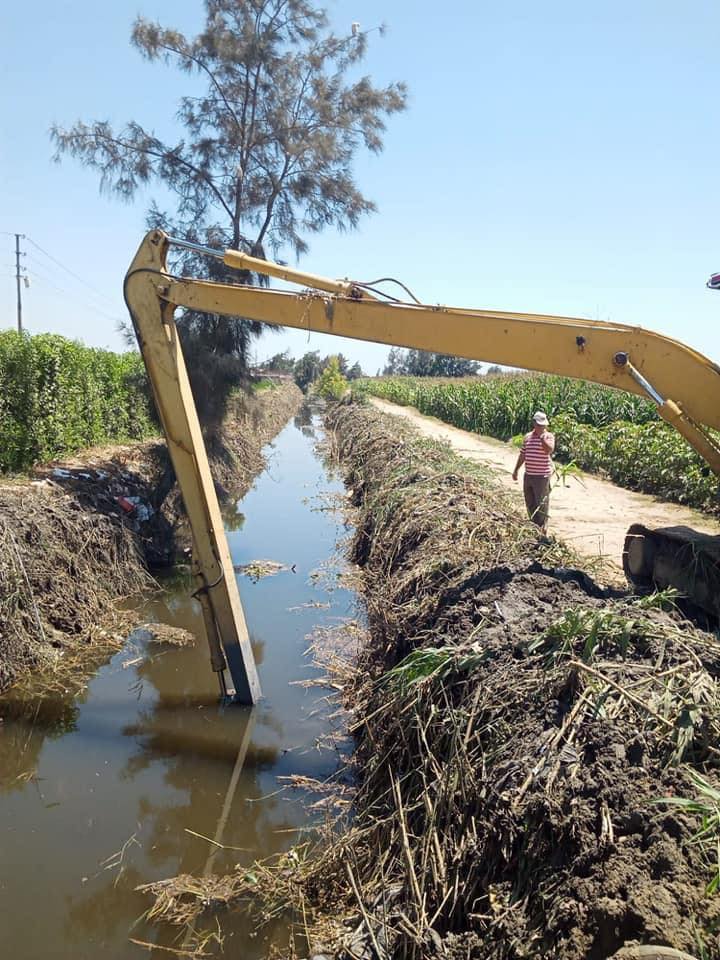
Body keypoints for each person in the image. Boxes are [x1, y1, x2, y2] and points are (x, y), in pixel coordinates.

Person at [512, 411, 555, 532]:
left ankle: (542, 531)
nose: (541, 427)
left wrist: (542, 439)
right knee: (530, 503)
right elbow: (523, 455)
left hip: (542, 477)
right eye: (539, 425)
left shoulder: (549, 437)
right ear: (534, 424)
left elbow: (549, 450)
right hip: (529, 476)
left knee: (542, 505)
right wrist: (516, 470)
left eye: (543, 425)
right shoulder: (527, 437)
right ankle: (534, 527)